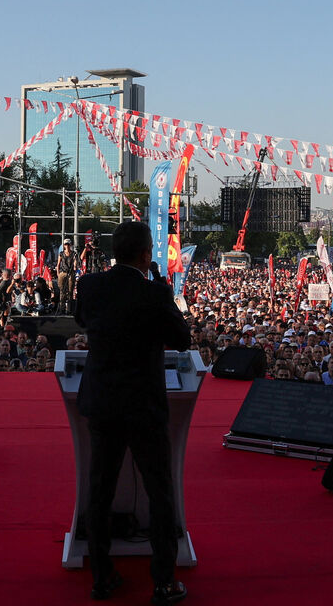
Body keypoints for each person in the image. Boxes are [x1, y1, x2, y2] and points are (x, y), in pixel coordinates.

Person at [74, 221, 189, 605]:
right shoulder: (153, 293)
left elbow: (82, 320)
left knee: (100, 488)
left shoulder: (90, 286)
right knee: (159, 491)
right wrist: (161, 291)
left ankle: (102, 577)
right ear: (145, 255)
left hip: (103, 402)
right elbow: (181, 338)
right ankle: (163, 580)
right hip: (144, 404)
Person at [55, 239, 78, 314]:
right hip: (63, 273)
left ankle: (69, 309)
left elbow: (75, 264)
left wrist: (75, 266)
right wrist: (58, 273)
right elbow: (58, 264)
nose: (67, 246)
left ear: (70, 245)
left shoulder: (74, 254)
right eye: (65, 244)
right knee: (62, 291)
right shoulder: (61, 254)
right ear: (64, 245)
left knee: (70, 291)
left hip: (70, 273)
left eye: (68, 244)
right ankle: (62, 308)